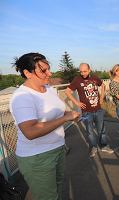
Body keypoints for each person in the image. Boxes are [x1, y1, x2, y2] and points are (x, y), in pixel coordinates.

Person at [9, 53, 80, 200]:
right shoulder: (22, 96)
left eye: (49, 68)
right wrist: (66, 118)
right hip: (37, 157)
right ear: (27, 73)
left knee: (57, 188)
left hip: (58, 148)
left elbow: (56, 112)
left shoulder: (48, 88)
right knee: (48, 197)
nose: (50, 73)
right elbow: (30, 131)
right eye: (43, 70)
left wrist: (69, 113)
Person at [65, 63, 114, 157]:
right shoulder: (77, 80)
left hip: (98, 110)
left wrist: (101, 98)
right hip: (86, 112)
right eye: (81, 71)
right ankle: (93, 147)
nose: (83, 73)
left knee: (101, 130)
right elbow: (67, 92)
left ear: (89, 70)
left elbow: (103, 86)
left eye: (85, 71)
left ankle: (104, 146)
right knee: (90, 131)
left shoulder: (95, 78)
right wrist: (77, 103)